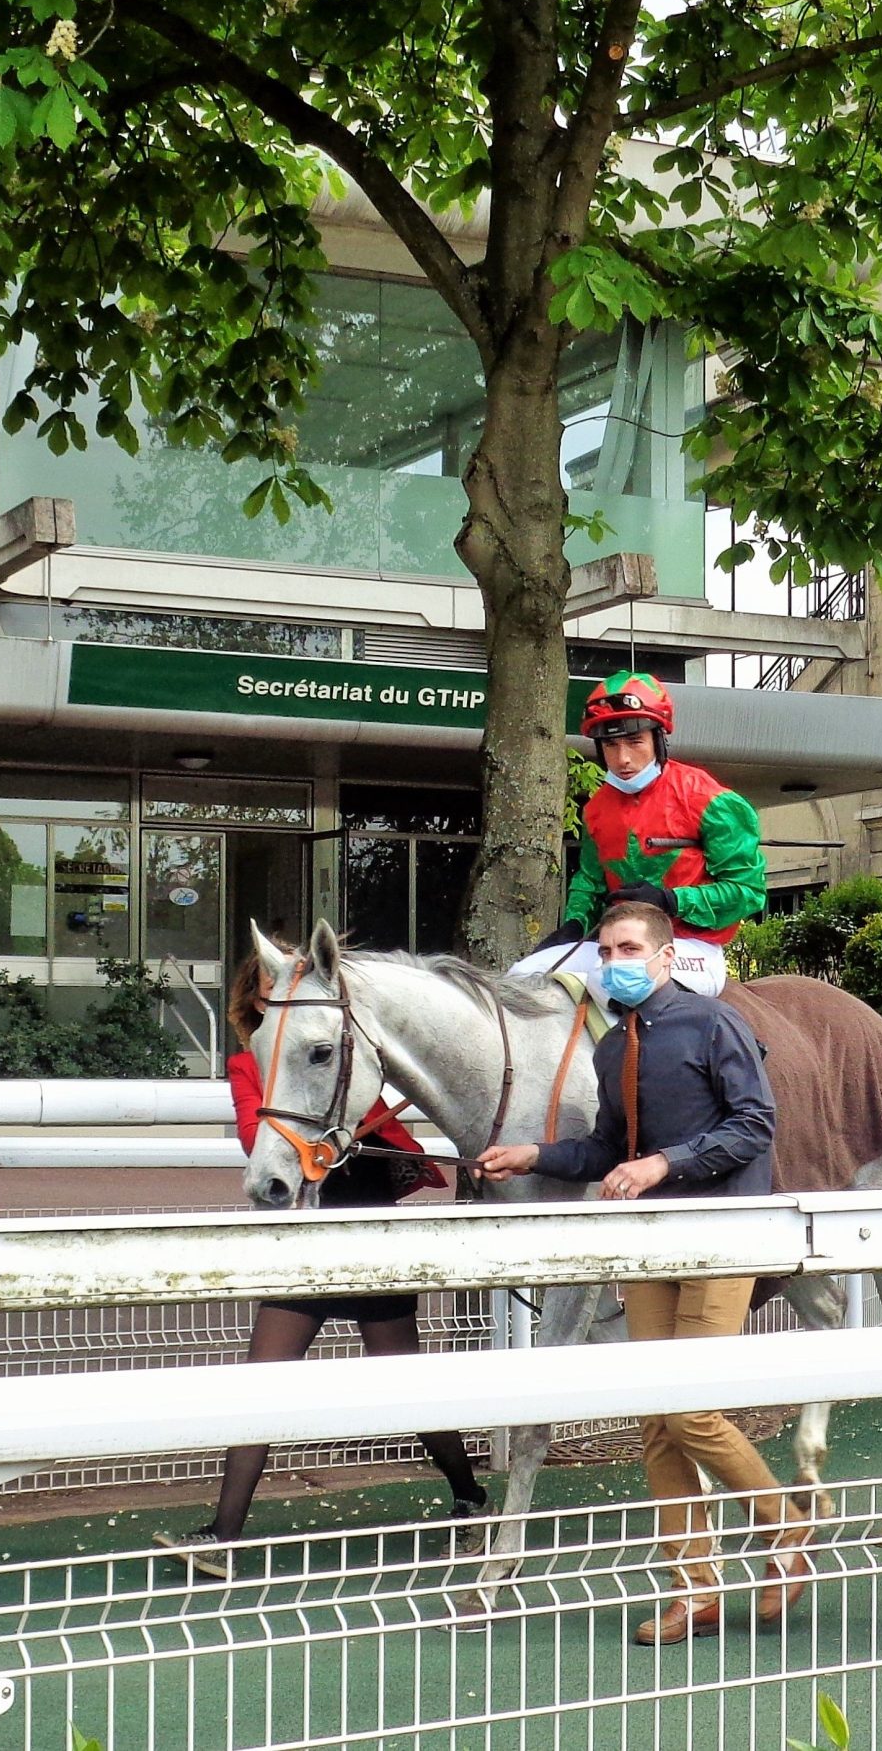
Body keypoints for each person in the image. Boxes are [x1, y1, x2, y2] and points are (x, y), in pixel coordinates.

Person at [474, 901, 807, 1644]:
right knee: (658, 1421)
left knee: (691, 1411)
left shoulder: (714, 1023)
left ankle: (786, 1527)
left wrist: (665, 1162)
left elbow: (755, 1123)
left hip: (722, 1234)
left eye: (628, 947)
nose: (613, 961)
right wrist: (533, 1154)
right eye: (604, 949)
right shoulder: (610, 1046)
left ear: (664, 957)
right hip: (653, 1243)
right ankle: (696, 1590)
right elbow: (603, 1149)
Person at [159, 954, 487, 1579]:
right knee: (262, 1384)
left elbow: (379, 1128)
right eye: (270, 984)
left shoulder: (339, 1046)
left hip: (367, 1230)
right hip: (308, 1237)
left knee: (404, 1385)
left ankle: (470, 1498)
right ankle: (223, 1536)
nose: (285, 991)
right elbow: (259, 1138)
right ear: (254, 1000)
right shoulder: (248, 1063)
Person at [511, 671, 765, 1000]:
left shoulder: (711, 800)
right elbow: (590, 881)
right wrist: (574, 925)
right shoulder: (597, 810)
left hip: (690, 947)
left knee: (621, 979)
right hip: (615, 945)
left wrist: (672, 901)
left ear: (658, 739)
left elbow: (748, 891)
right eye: (610, 745)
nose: (623, 759)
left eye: (634, 742)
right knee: (521, 976)